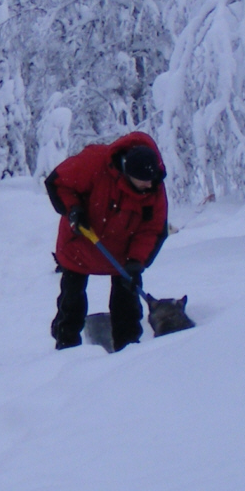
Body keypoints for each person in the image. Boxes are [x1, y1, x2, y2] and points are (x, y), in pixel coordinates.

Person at [43, 131, 169, 350]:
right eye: (143, 182)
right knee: (71, 301)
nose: (149, 186)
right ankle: (66, 348)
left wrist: (136, 262)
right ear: (127, 172)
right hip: (81, 242)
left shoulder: (154, 186)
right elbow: (58, 183)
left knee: (127, 303)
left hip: (123, 254)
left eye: (151, 181)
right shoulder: (94, 163)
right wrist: (74, 210)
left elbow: (152, 230)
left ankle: (129, 351)